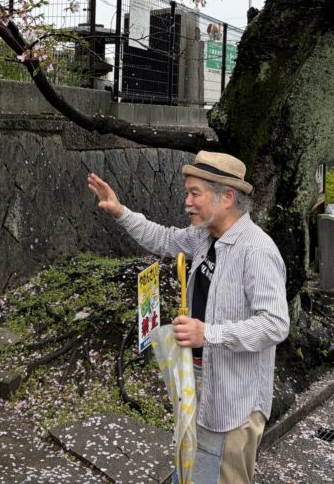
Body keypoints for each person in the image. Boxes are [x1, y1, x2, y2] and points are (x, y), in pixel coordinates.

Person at [88, 151, 289, 484]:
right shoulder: (204, 237)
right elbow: (164, 238)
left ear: (226, 197)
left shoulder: (257, 250)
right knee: (196, 473)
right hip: (201, 385)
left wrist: (207, 334)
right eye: (187, 193)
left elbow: (275, 324)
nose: (187, 202)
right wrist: (121, 212)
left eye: (195, 193)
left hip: (235, 402)